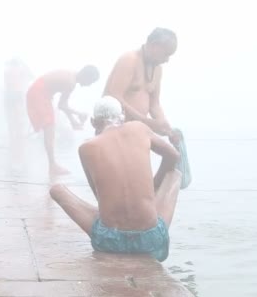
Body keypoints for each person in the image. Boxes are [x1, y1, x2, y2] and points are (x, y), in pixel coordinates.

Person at [50, 96, 181, 262]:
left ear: (93, 122)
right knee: (174, 174)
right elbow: (174, 156)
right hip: (151, 240)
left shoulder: (86, 148)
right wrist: (155, 183)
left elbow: (100, 199)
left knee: (57, 190)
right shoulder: (139, 128)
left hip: (109, 241)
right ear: (123, 115)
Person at [102, 28, 180, 144]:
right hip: (115, 133)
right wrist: (145, 121)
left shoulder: (158, 69)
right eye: (166, 54)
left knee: (171, 154)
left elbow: (154, 104)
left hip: (136, 133)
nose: (167, 60)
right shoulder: (129, 60)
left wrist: (165, 125)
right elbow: (114, 96)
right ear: (155, 46)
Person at [26, 65, 99, 175]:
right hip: (39, 92)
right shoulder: (71, 82)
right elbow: (62, 105)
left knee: (50, 127)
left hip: (40, 91)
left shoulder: (71, 77)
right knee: (49, 128)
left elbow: (62, 105)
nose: (89, 85)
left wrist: (73, 121)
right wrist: (78, 114)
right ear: (86, 77)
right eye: (91, 82)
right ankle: (52, 166)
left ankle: (52, 165)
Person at [4, 58, 34, 151]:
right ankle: (19, 140)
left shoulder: (7, 71)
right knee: (18, 119)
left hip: (9, 94)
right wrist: (24, 64)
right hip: (16, 94)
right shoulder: (20, 70)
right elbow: (31, 76)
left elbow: (7, 83)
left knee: (11, 119)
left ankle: (13, 140)